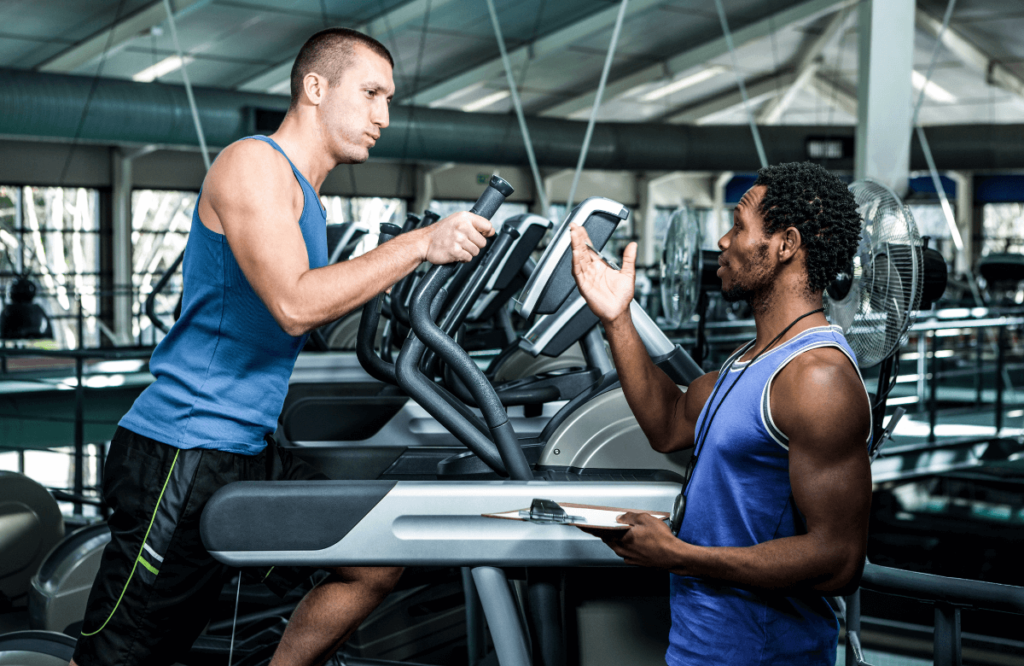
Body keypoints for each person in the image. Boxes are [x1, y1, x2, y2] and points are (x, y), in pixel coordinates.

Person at [71, 27, 495, 666]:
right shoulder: (254, 165)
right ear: (315, 87)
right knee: (121, 660)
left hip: (244, 449)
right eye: (372, 93)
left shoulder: (306, 195)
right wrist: (418, 244)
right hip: (183, 453)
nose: (384, 115)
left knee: (373, 562)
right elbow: (296, 304)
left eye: (390, 98)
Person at [569, 161, 872, 665]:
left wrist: (681, 557)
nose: (722, 241)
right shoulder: (748, 360)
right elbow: (667, 423)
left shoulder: (818, 377)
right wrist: (617, 318)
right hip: (701, 647)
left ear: (785, 244)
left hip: (764, 655)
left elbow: (838, 560)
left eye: (739, 226)